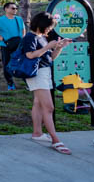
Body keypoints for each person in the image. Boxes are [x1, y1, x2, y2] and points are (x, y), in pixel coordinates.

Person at [20, 12, 72, 155]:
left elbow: (51, 58)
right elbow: (30, 55)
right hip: (37, 74)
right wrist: (48, 46)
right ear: (41, 24)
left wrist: (59, 47)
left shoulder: (42, 38)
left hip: (45, 73)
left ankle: (37, 133)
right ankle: (55, 140)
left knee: (38, 103)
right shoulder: (30, 37)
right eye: (49, 27)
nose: (50, 29)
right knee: (48, 107)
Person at [0, 2, 26, 91]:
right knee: (7, 65)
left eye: (16, 8)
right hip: (6, 46)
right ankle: (10, 83)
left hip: (19, 45)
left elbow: (23, 29)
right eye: (13, 8)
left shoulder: (19, 19)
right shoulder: (0, 20)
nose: (15, 10)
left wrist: (23, 38)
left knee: (23, 63)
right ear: (6, 9)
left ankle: (27, 82)